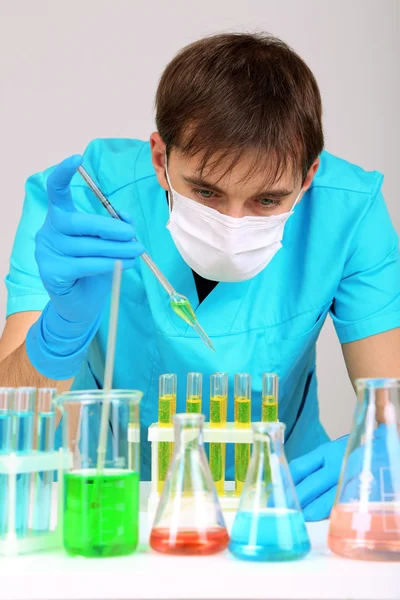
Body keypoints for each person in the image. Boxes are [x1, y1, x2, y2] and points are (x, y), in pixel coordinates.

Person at [1, 33, 399, 521]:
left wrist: (383, 450)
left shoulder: (347, 212)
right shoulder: (83, 204)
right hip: (113, 501)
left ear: (309, 175)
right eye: (207, 192)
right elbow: (9, 423)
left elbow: (392, 403)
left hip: (284, 504)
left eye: (267, 200)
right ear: (160, 159)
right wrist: (58, 331)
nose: (233, 224)